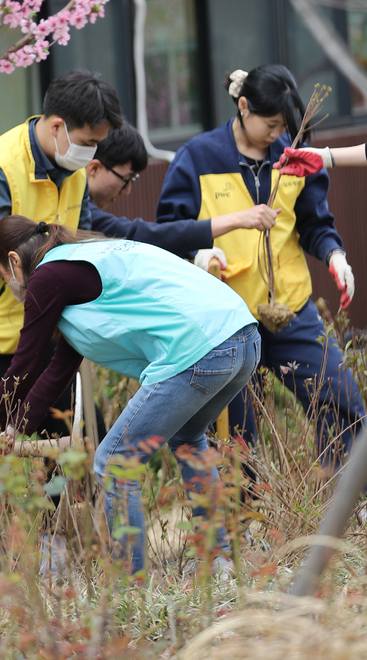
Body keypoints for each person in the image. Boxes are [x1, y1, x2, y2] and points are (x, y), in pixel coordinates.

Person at [0, 216, 261, 577]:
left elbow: (24, 365)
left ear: (13, 262)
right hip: (243, 339)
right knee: (188, 441)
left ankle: (130, 586)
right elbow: (57, 370)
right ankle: (219, 566)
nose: (8, 286)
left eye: (1, 276)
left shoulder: (46, 277)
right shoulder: (81, 260)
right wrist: (13, 431)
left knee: (115, 462)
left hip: (202, 349)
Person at [156, 65, 365, 473]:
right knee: (238, 431)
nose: (276, 135)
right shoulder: (198, 156)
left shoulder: (294, 156)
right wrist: (199, 257)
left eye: (283, 126)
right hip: (226, 318)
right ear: (243, 105)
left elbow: (314, 224)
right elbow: (170, 231)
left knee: (340, 398)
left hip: (291, 309)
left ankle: (349, 506)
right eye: (270, 124)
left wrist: (335, 255)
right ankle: (248, 525)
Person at [0, 69, 123, 425]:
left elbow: (79, 238)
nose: (92, 152)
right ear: (56, 126)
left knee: (83, 432)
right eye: (87, 141)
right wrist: (37, 270)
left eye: (98, 143)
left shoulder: (74, 167)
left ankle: (65, 484)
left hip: (38, 325)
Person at [87, 123, 279, 252]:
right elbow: (138, 235)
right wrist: (237, 219)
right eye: (126, 179)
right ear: (93, 168)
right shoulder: (78, 208)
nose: (127, 191)